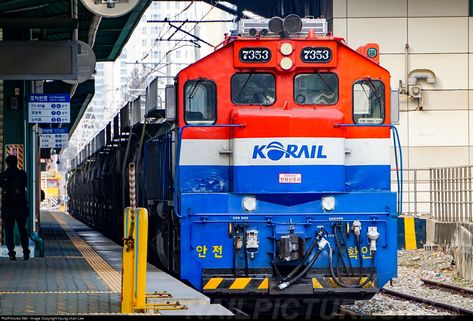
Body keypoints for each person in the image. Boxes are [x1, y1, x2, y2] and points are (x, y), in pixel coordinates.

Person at [0, 155, 30, 260]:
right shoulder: (22, 174)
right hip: (21, 207)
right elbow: (25, 185)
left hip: (8, 208)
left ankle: (11, 253)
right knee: (23, 230)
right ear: (17, 162)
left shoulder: (3, 176)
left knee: (8, 231)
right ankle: (26, 252)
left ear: (7, 163)